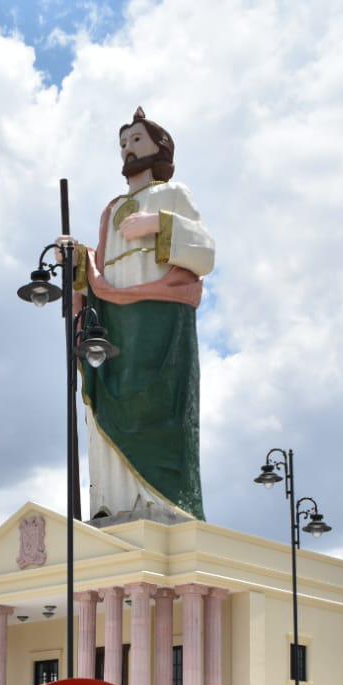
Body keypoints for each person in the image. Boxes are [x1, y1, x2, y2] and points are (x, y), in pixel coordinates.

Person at [71, 107, 215, 522]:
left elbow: (205, 251)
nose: (128, 149)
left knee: (155, 403)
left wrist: (157, 223)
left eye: (136, 140)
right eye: (123, 144)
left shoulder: (173, 195)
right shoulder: (111, 208)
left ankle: (159, 499)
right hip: (113, 318)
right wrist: (76, 259)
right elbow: (97, 266)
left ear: (159, 147)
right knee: (113, 402)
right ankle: (115, 501)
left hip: (157, 315)